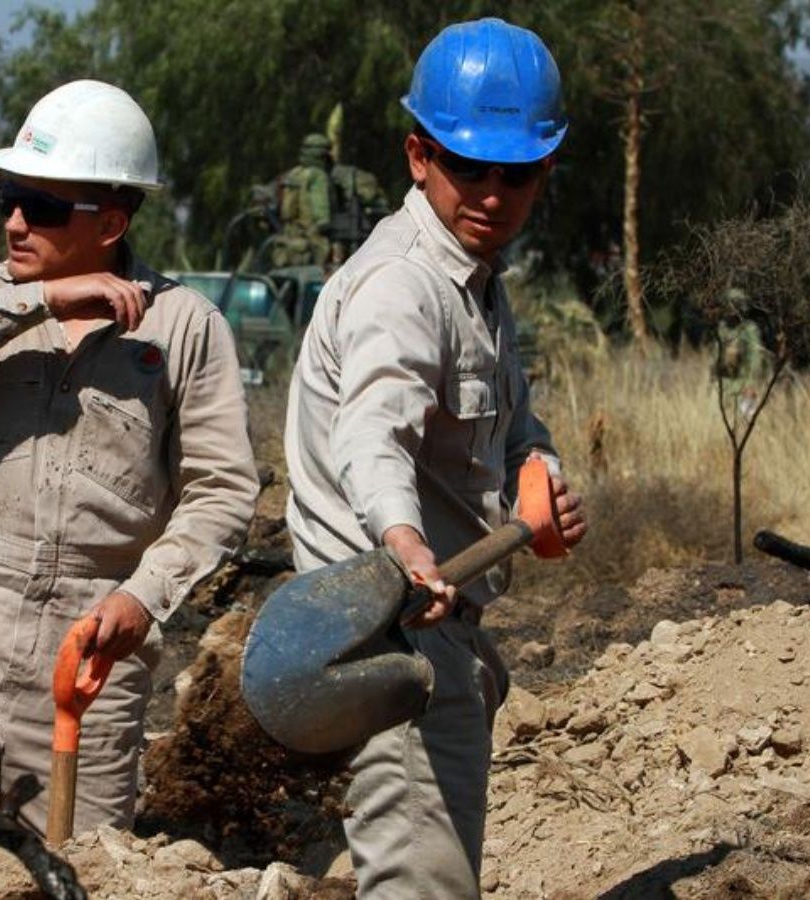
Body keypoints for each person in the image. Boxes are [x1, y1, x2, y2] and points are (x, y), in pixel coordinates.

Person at [0, 79, 259, 836]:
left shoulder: (185, 328)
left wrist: (143, 597)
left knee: (72, 875)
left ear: (110, 220)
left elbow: (222, 490)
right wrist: (42, 300)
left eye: (40, 207)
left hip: (89, 654)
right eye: (9, 196)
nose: (14, 221)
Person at [284, 18, 587, 899]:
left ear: (545, 172)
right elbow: (370, 435)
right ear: (420, 155)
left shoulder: (478, 285)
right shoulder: (405, 287)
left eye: (516, 174)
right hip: (395, 638)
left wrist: (546, 485)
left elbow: (519, 434)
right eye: (468, 168)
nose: (492, 193)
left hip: (441, 635)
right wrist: (407, 546)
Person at [272, 133, 333, 267]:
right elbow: (322, 216)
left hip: (290, 240)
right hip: (311, 242)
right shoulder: (318, 176)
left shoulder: (294, 173)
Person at [714, 289, 770, 422]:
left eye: (735, 304)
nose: (731, 308)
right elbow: (716, 356)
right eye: (729, 304)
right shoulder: (722, 328)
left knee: (744, 421)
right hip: (724, 383)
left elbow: (755, 358)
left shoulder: (749, 329)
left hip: (744, 383)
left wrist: (751, 384)